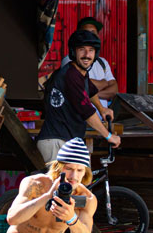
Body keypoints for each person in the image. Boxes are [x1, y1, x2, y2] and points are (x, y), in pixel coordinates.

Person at [39, 30, 121, 164]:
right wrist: (108, 136)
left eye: (91, 50)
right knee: (63, 184)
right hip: (56, 142)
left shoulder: (80, 74)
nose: (87, 55)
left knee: (80, 181)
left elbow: (91, 92)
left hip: (67, 141)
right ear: (73, 52)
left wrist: (102, 109)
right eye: (81, 49)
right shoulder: (71, 76)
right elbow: (87, 111)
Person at [61, 16, 119, 107]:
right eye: (86, 33)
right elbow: (78, 84)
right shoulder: (70, 59)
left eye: (93, 33)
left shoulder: (102, 62)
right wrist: (104, 83)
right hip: (79, 120)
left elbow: (114, 90)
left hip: (101, 120)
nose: (90, 36)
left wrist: (89, 95)